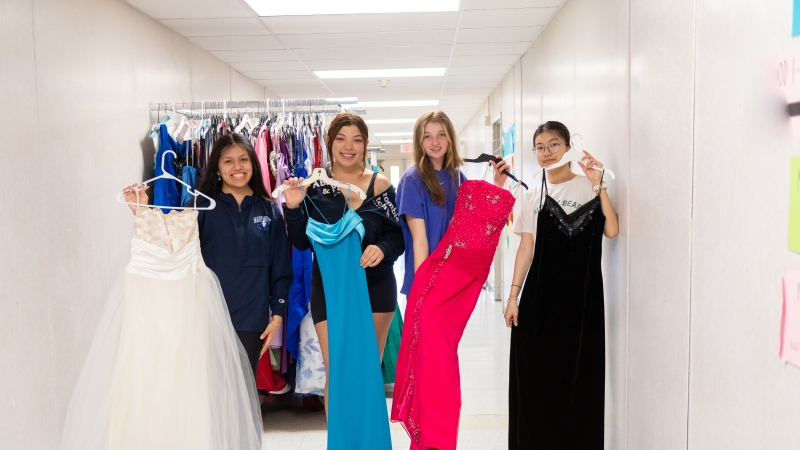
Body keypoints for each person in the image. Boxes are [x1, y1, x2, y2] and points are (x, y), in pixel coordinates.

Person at [126, 133, 293, 379]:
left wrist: (276, 316)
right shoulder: (199, 207)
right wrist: (140, 211)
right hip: (206, 316)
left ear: (253, 165)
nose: (237, 167)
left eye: (243, 159)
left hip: (252, 318)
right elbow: (170, 246)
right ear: (216, 167)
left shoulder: (270, 210)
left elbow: (281, 268)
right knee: (210, 392)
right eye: (228, 161)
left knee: (243, 392)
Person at [391, 110, 510, 450]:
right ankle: (430, 441)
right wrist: (422, 292)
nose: (435, 142)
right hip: (430, 286)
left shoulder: (458, 177)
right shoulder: (413, 180)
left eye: (440, 134)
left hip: (453, 286)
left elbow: (471, 229)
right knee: (435, 367)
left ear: (450, 138)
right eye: (427, 136)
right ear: (419, 142)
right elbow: (419, 241)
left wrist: (497, 186)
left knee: (443, 365)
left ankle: (438, 440)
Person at [281, 113, 400, 448]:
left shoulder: (381, 186)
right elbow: (303, 243)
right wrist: (293, 208)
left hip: (375, 287)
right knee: (337, 370)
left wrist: (382, 247)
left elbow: (398, 236)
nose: (349, 147)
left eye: (357, 139)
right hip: (329, 288)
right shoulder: (313, 186)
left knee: (366, 370)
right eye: (342, 139)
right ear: (330, 142)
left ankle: (370, 441)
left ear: (365, 144)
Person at [504, 121, 619, 449]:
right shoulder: (531, 194)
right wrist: (513, 297)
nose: (546, 152)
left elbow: (611, 229)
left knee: (580, 380)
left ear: (569, 147)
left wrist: (600, 185)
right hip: (540, 300)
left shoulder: (589, 186)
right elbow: (526, 248)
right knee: (538, 383)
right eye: (539, 146)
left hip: (584, 302)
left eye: (553, 144)